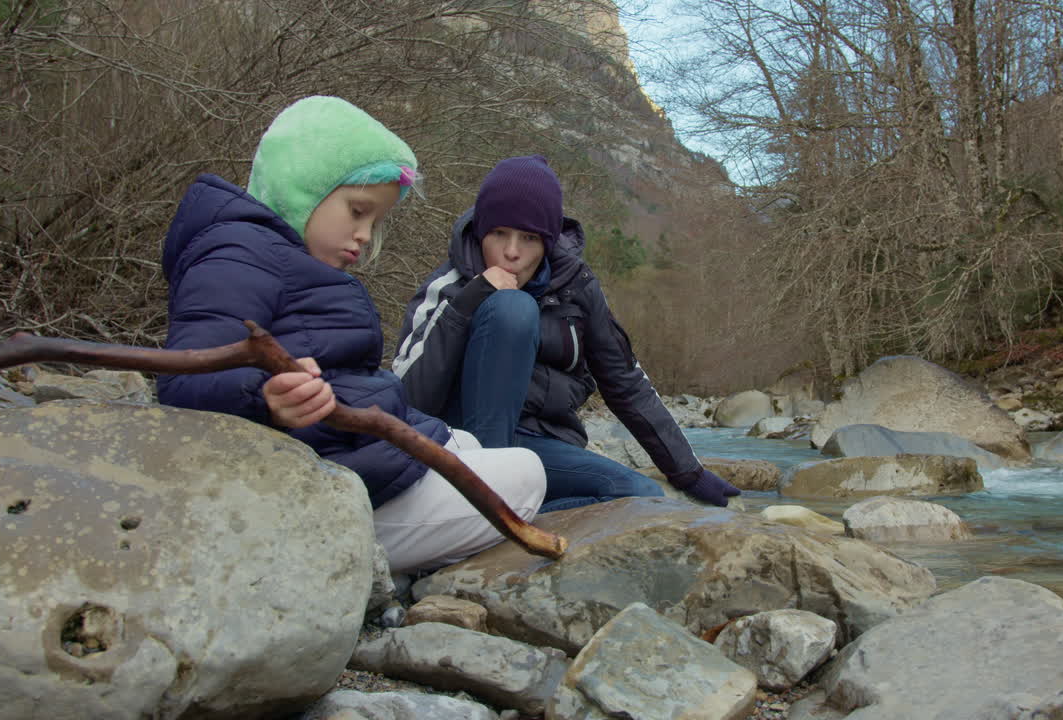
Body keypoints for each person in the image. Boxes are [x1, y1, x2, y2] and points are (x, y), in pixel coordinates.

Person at [156, 96, 545, 574]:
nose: (364, 234)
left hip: (353, 455)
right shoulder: (235, 255)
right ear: (303, 187)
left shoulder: (276, 255)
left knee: (466, 442)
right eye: (357, 211)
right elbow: (181, 383)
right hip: (324, 492)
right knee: (526, 475)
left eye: (374, 221)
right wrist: (265, 399)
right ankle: (336, 562)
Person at [393, 155, 741, 511]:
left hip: (540, 446)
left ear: (546, 241)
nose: (511, 252)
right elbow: (404, 399)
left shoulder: (577, 287)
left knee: (640, 496)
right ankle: (488, 501)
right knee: (513, 308)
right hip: (464, 447)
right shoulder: (450, 285)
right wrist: (470, 302)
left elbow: (625, 381)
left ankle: (509, 519)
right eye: (499, 233)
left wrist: (688, 473)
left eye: (528, 237)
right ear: (482, 231)